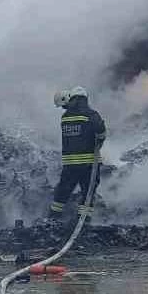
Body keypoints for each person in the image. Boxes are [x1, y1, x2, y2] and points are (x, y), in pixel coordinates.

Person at [49, 86, 106, 222]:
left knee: (63, 191)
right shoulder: (90, 114)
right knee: (88, 193)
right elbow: (101, 130)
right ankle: (83, 221)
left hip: (70, 164)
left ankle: (52, 219)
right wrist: (99, 139)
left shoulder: (65, 117)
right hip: (89, 164)